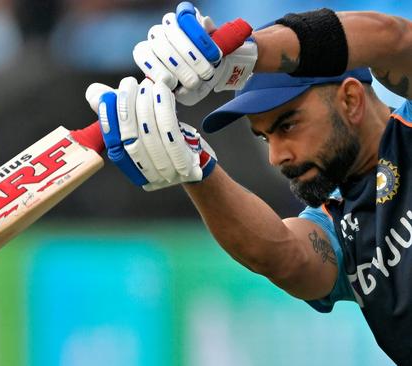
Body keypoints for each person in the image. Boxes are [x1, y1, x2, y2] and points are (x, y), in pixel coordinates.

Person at [86, 2, 412, 363]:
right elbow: (283, 256)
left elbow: (396, 40)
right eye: (264, 137)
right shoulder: (336, 219)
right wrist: (194, 167)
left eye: (287, 125)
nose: (277, 157)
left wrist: (256, 51)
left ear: (351, 100)